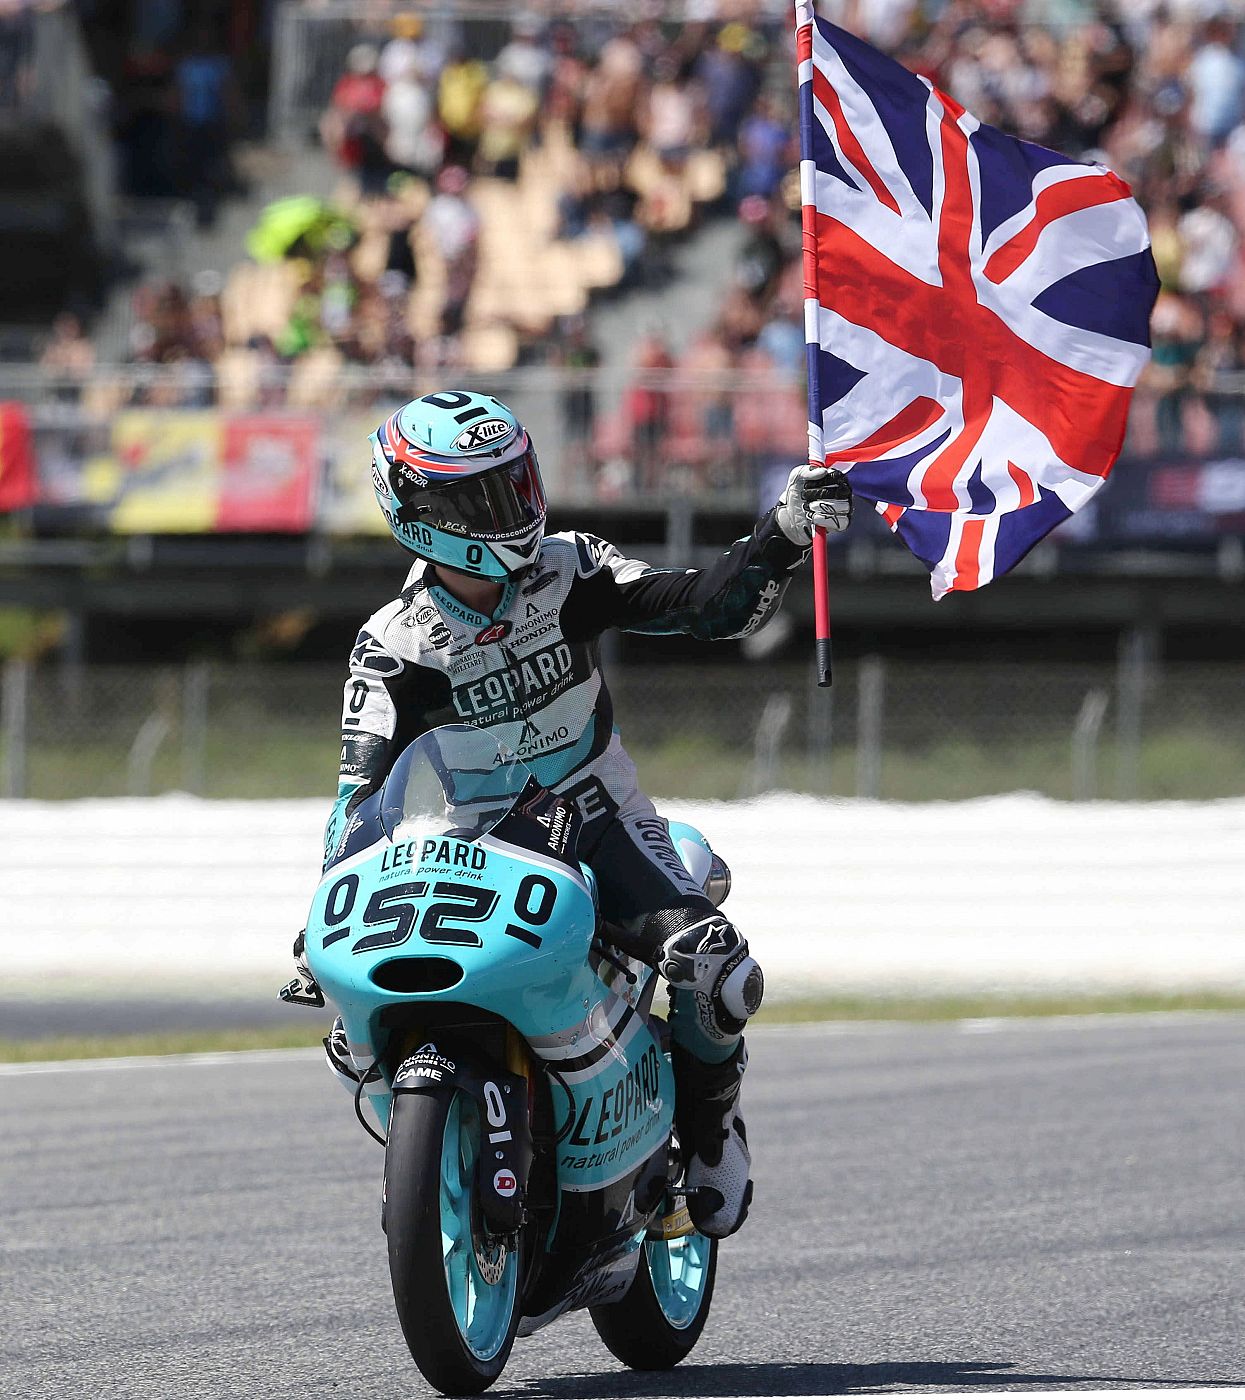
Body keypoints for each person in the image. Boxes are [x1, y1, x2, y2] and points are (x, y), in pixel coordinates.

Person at [291, 391, 852, 1238]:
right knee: (347, 1027)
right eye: (482, 497)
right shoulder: (391, 642)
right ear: (418, 511)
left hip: (597, 818)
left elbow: (706, 604)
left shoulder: (571, 569)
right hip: (468, 843)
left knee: (717, 968)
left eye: (515, 483)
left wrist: (783, 532)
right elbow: (357, 795)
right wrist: (321, 914)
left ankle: (710, 1133)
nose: (511, 510)